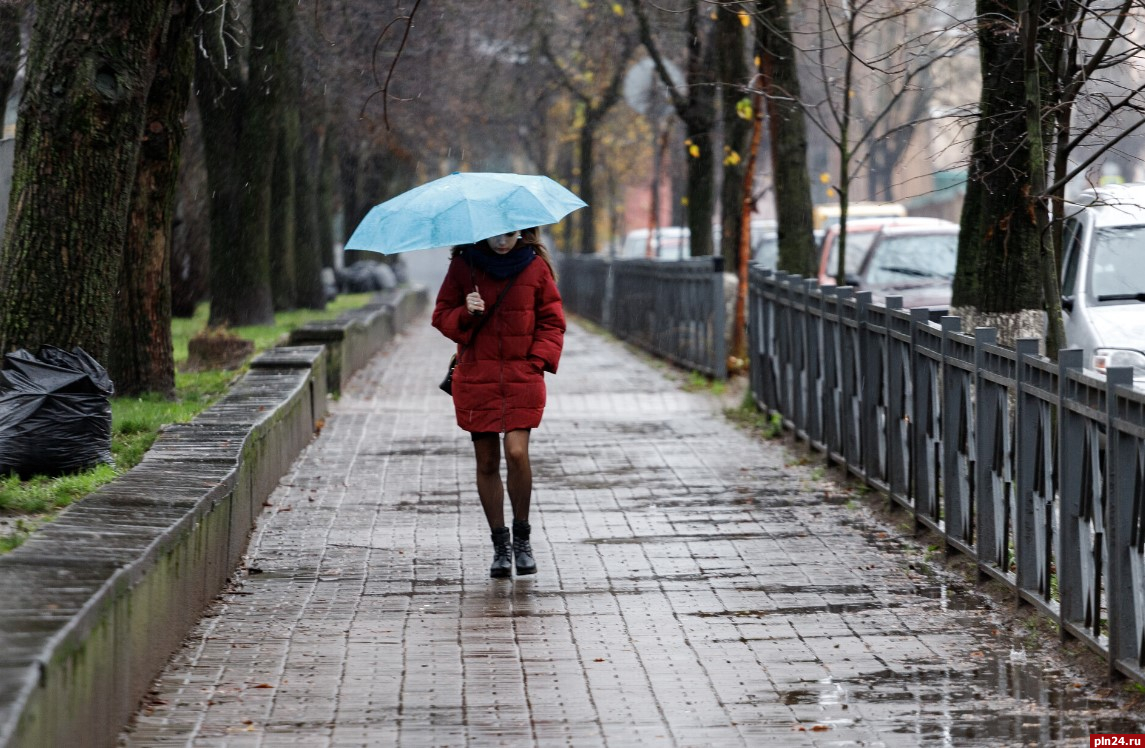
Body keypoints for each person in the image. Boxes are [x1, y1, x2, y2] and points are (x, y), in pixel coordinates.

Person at [431, 227, 566, 578]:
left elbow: (552, 321)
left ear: (521, 232)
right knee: (487, 460)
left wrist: (536, 362)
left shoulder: (534, 267)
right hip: (478, 377)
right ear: (482, 234)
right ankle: (500, 546)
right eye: (496, 236)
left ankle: (522, 538)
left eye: (510, 234)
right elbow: (441, 316)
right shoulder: (464, 267)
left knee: (517, 452)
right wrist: (466, 311)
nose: (503, 242)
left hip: (522, 376)